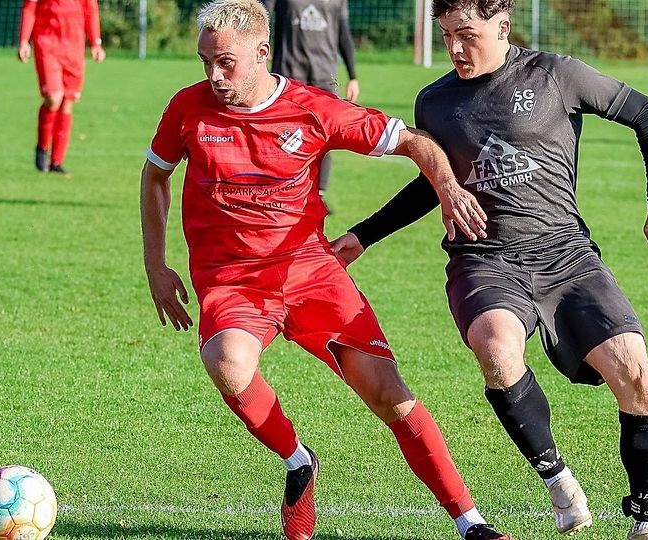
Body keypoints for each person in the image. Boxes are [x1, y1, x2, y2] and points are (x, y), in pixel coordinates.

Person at [139, 1, 510, 539]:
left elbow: (413, 142)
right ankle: (298, 461)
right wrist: (155, 265)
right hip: (231, 280)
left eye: (225, 63)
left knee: (389, 395)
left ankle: (471, 523)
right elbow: (155, 177)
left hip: (310, 272)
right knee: (227, 362)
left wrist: (448, 187)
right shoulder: (187, 108)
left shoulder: (312, 109)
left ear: (262, 53)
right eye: (206, 62)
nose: (214, 76)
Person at [332, 0, 648, 539]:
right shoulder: (435, 102)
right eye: (446, 35)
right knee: (495, 348)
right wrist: (364, 234)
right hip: (483, 259)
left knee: (635, 373)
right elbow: (436, 183)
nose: (454, 48)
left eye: (466, 35)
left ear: (503, 27)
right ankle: (558, 481)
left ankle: (647, 524)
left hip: (566, 255)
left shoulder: (556, 75)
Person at [263, 0, 361, 206]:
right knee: (280, 136)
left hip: (324, 76)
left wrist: (353, 76)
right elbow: (262, 14)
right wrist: (262, 43)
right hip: (288, 74)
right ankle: (281, 192)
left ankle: (318, 196)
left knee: (324, 138)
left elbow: (343, 33)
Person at [18, 0, 106, 175]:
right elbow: (30, 7)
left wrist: (96, 43)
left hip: (74, 47)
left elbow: (91, 10)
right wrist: (24, 40)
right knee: (54, 97)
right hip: (47, 43)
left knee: (67, 102)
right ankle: (42, 148)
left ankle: (56, 162)